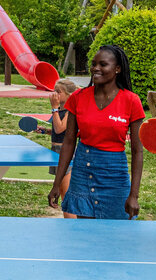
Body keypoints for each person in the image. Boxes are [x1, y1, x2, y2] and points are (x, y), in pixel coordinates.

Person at [48, 45, 145, 219]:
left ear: (117, 69)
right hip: (83, 172)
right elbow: (69, 142)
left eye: (103, 64)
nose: (95, 68)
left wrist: (134, 195)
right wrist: (57, 183)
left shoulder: (131, 100)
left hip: (115, 175)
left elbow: (138, 150)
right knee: (87, 233)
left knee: (118, 232)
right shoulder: (78, 98)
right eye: (93, 64)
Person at [46, 78, 79, 198]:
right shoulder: (60, 110)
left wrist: (54, 108)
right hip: (56, 150)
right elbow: (58, 131)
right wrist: (45, 131)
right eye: (54, 91)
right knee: (60, 189)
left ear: (69, 95)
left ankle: (70, 216)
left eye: (58, 92)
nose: (55, 94)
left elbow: (59, 128)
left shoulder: (69, 111)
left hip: (64, 152)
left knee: (66, 195)